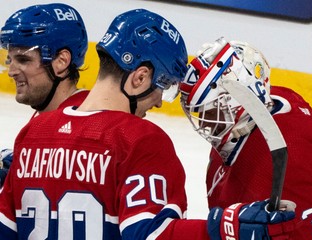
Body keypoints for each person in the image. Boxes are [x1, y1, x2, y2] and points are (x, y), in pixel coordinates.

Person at [0, 9, 295, 239]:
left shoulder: (33, 134)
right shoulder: (140, 140)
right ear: (139, 77)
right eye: (162, 87)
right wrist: (227, 227)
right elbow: (148, 234)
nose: (157, 102)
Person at [180, 37, 312, 239]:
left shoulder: (279, 162)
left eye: (210, 112)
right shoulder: (283, 97)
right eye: (199, 114)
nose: (203, 124)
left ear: (240, 100)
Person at [0, 3, 89, 187]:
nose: (11, 71)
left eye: (23, 59)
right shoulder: (49, 117)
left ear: (61, 61)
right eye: (10, 60)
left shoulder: (84, 129)